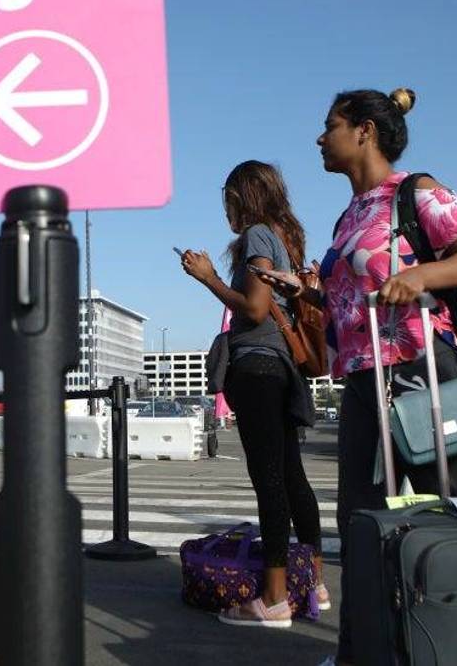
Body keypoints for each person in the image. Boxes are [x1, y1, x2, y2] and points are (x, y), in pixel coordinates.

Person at [267, 88, 457, 666]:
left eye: (330, 126)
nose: (321, 138)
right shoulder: (350, 214)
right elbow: (353, 293)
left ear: (364, 130)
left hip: (422, 373)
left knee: (441, 517)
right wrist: (304, 291)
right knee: (361, 522)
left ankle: (445, 646)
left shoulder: (415, 192)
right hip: (365, 380)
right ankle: (362, 651)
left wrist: (422, 274)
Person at [179, 160, 325, 629]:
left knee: (270, 479)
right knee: (291, 476)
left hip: (257, 366)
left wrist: (207, 277)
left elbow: (257, 308)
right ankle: (312, 582)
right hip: (281, 367)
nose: (226, 208)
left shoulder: (259, 235)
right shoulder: (285, 236)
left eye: (229, 198)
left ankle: (275, 598)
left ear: (243, 196)